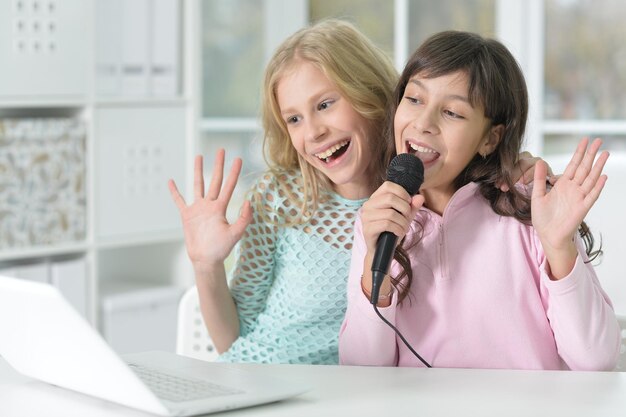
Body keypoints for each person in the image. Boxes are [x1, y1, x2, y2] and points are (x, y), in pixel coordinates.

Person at [169, 21, 552, 365]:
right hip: (257, 381)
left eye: (325, 105)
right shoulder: (278, 197)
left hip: (351, 395)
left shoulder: (423, 203)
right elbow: (232, 341)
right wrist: (206, 264)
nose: (314, 131)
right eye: (294, 119)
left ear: (369, 93)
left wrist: (514, 164)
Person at [338, 30, 621, 371]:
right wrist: (375, 269)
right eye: (414, 99)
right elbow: (361, 369)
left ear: (490, 138)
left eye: (452, 113)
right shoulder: (378, 219)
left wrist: (558, 245)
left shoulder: (532, 210)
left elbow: (596, 360)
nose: (423, 123)